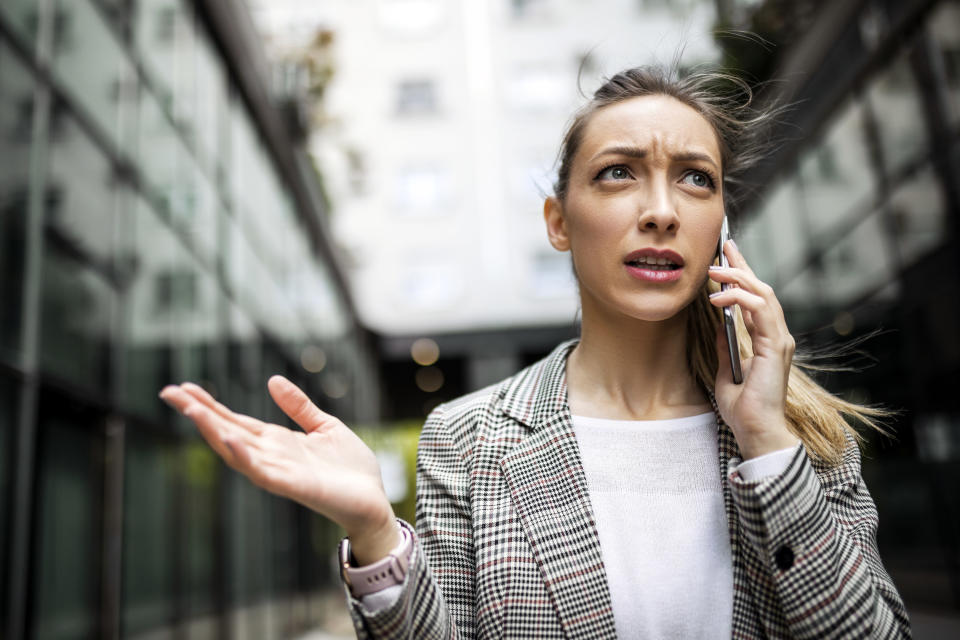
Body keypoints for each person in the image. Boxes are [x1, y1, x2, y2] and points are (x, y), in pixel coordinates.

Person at [160, 66, 911, 639]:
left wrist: (767, 444)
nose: (659, 210)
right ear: (559, 220)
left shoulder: (798, 433)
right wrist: (376, 534)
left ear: (720, 219)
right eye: (618, 173)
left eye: (695, 179)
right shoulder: (468, 438)